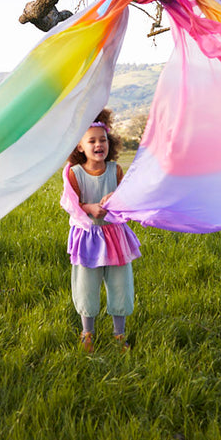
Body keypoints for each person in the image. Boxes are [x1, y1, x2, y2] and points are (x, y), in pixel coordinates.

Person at [60, 109, 140, 353]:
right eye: (91, 140)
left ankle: (119, 335)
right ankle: (88, 332)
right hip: (88, 237)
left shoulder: (115, 170)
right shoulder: (74, 173)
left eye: (102, 140)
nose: (98, 144)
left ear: (110, 143)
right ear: (81, 147)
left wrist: (116, 198)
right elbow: (69, 204)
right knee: (86, 285)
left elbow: (128, 198)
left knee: (120, 284)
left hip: (115, 236)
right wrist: (88, 207)